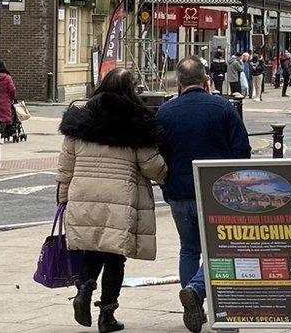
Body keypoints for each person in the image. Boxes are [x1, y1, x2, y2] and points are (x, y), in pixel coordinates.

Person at [57, 67, 167, 332]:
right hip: (120, 197)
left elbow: (65, 166)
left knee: (93, 248)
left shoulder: (79, 120)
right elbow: (152, 166)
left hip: (83, 196)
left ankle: (84, 287)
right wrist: (166, 174)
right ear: (131, 90)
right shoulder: (138, 123)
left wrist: (63, 198)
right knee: (115, 257)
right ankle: (107, 316)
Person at [156, 57, 251, 333]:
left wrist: (166, 186)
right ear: (206, 80)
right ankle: (201, 295)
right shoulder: (223, 108)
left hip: (179, 193)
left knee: (189, 248)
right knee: (221, 250)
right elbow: (241, 150)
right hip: (217, 193)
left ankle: (193, 301)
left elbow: (157, 156)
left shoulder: (165, 112)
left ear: (179, 83)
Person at [0, 62, 17, 128]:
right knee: (5, 118)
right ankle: (5, 131)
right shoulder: (8, 78)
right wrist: (12, 98)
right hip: (6, 101)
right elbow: (12, 90)